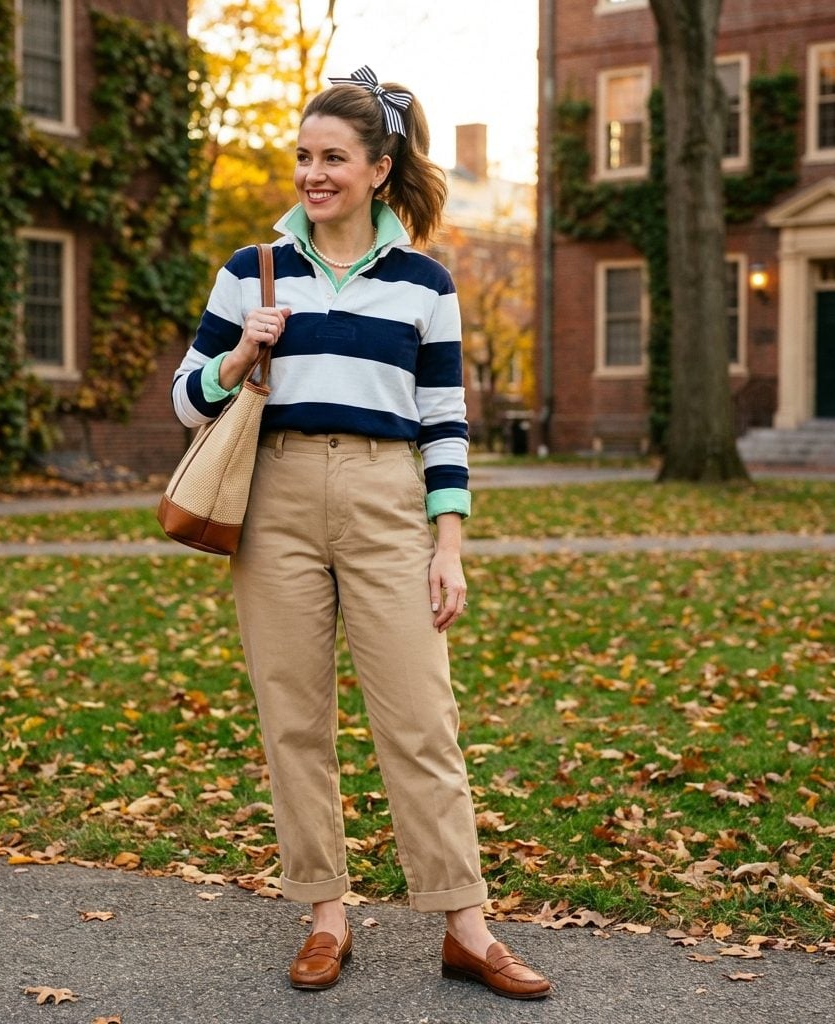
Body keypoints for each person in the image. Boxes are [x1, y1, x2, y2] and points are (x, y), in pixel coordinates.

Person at [170, 65, 550, 1001]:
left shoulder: (427, 283)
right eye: (303, 156)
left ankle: (465, 923)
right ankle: (324, 914)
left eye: (333, 157)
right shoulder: (249, 269)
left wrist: (449, 543)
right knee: (294, 718)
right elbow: (185, 401)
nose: (312, 173)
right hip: (278, 498)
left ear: (380, 168)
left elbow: (447, 419)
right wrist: (239, 355)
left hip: (389, 500)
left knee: (421, 721)